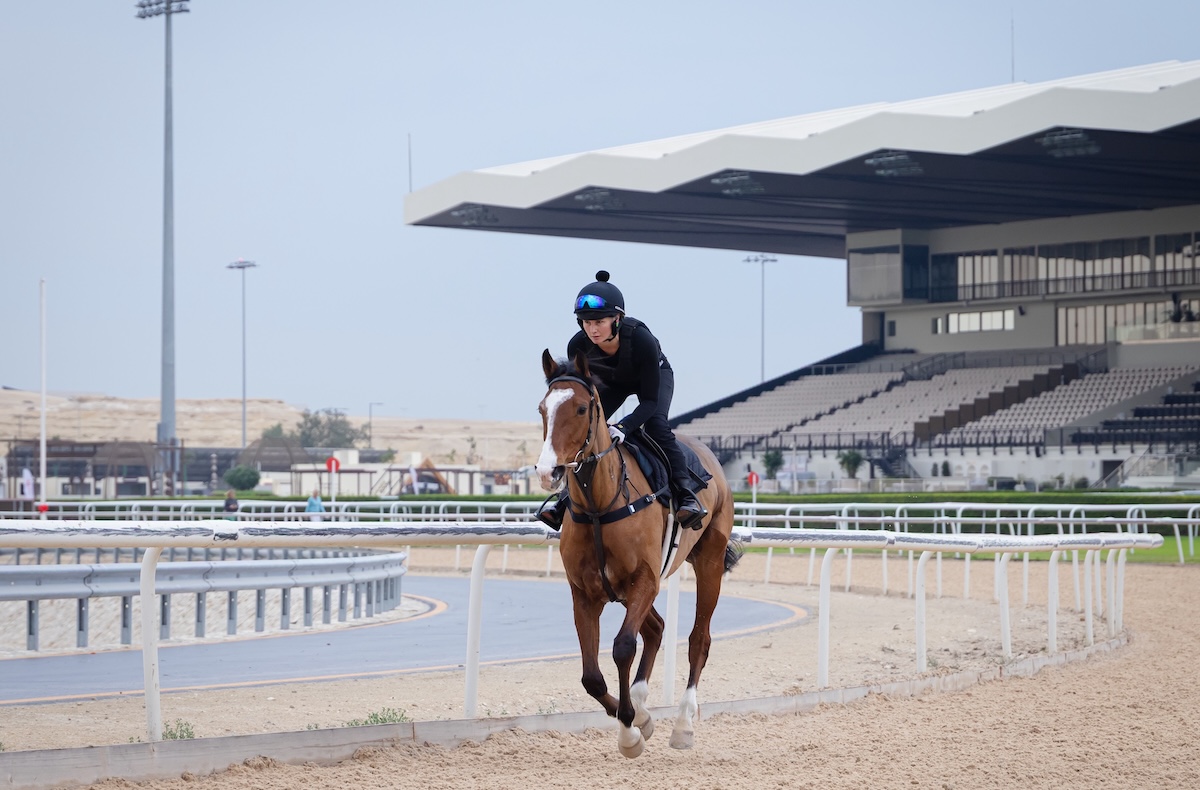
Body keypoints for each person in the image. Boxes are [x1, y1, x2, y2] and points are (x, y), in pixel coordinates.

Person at [538, 270, 708, 530]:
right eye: (586, 323)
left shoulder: (641, 340)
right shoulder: (578, 347)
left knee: (656, 427)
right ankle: (564, 499)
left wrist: (624, 427)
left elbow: (649, 402)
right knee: (589, 430)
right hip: (613, 383)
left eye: (599, 322)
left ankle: (686, 495)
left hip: (652, 379)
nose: (592, 329)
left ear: (617, 319)